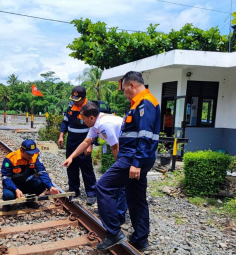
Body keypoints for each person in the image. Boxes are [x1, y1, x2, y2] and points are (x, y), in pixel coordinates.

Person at [96, 71, 160, 252]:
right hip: (135, 157)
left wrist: (136, 162)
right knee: (136, 197)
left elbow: (145, 136)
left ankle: (113, 232)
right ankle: (141, 239)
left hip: (133, 157)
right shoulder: (141, 103)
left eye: (125, 90)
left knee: (103, 186)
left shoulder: (145, 102)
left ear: (132, 85)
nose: (124, 94)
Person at [61, 102, 127, 224]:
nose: (82, 122)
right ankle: (116, 213)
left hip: (129, 148)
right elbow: (86, 142)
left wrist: (120, 166)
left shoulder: (104, 125)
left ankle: (119, 216)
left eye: (84, 119)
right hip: (124, 147)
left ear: (91, 117)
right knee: (117, 183)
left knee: (121, 183)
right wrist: (71, 157)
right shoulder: (95, 124)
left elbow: (115, 147)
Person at [58, 86, 97, 205]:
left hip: (84, 141)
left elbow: (95, 127)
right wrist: (61, 135)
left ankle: (91, 193)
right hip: (71, 141)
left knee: (86, 168)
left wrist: (91, 145)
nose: (75, 101)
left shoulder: (90, 107)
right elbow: (65, 121)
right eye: (74, 99)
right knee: (71, 167)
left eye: (78, 99)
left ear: (84, 98)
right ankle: (74, 190)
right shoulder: (71, 106)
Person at [1, 139, 60, 211]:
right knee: (8, 195)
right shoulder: (10, 159)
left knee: (42, 183)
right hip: (13, 184)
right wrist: (15, 189)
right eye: (28, 154)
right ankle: (7, 204)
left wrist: (50, 186)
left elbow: (42, 172)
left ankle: (29, 201)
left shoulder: (35, 156)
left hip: (26, 183)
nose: (31, 156)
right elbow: (6, 178)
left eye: (32, 153)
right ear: (21, 151)